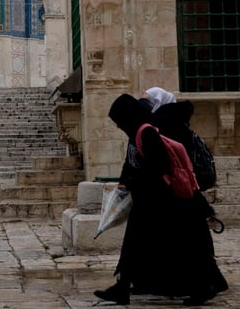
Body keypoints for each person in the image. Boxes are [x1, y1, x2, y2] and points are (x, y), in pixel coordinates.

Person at [95, 94, 227, 306]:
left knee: (179, 246)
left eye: (119, 120)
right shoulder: (141, 131)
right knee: (134, 244)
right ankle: (122, 287)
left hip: (163, 201)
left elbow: (160, 166)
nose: (119, 126)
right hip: (153, 201)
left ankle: (202, 288)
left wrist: (138, 183)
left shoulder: (146, 132)